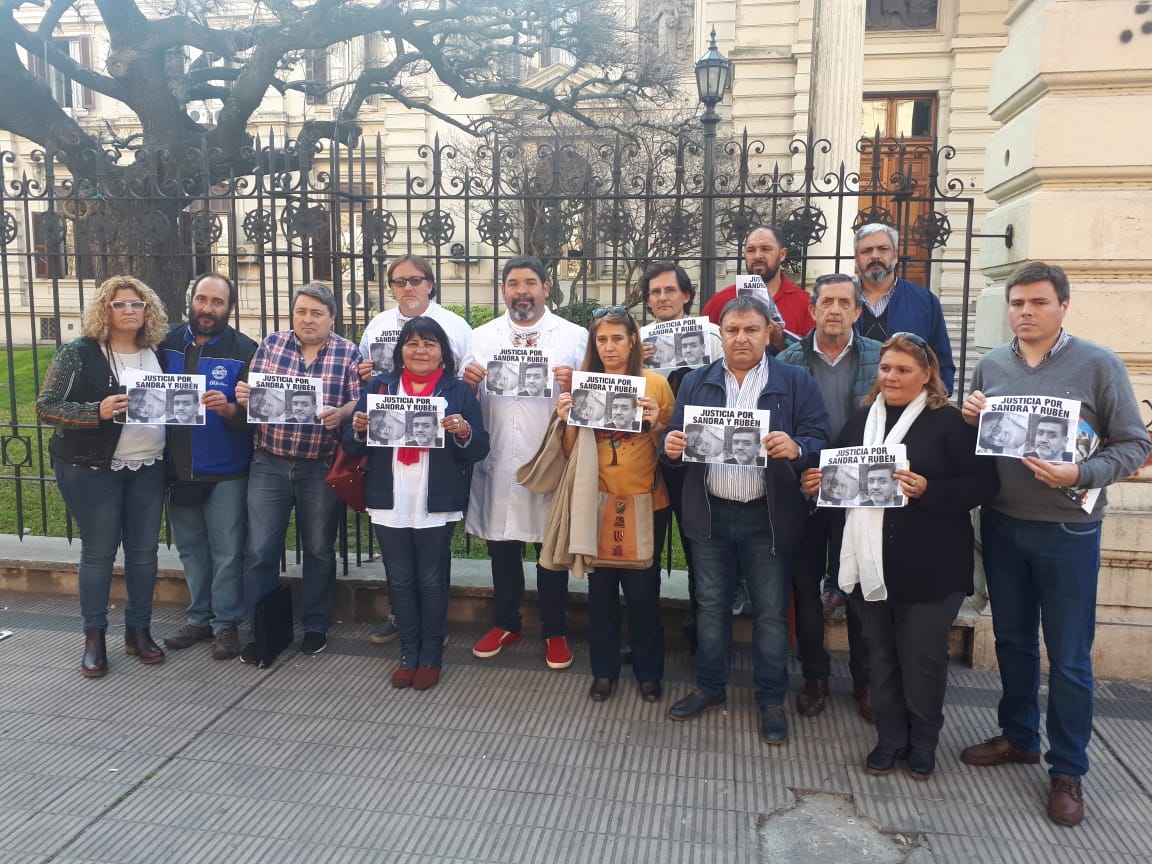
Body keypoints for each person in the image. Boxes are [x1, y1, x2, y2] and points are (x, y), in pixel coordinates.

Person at [958, 263, 1152, 827]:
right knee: (1013, 641)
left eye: (1038, 302)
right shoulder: (993, 363)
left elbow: (1134, 444)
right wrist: (971, 418)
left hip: (1069, 530)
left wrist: (1081, 474)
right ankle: (1019, 737)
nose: (1025, 311)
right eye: (1017, 302)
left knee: (1068, 658)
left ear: (1063, 306)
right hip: (1002, 523)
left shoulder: (1098, 364)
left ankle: (1068, 769)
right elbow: (984, 444)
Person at [803, 333, 997, 781]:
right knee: (880, 658)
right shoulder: (861, 421)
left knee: (923, 660)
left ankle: (923, 741)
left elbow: (983, 486)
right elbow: (839, 485)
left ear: (927, 375)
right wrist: (816, 484)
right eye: (886, 368)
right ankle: (889, 738)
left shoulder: (949, 423)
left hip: (930, 570)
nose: (891, 377)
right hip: (870, 566)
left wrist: (929, 490)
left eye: (903, 370)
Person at [662, 296, 829, 745]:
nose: (741, 338)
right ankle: (709, 687)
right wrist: (671, 447)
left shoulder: (793, 381)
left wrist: (797, 448)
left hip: (767, 516)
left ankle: (771, 699)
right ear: (720, 334)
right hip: (711, 512)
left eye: (751, 329)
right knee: (711, 606)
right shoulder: (697, 381)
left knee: (771, 612)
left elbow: (819, 435)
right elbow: (673, 440)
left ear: (768, 331)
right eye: (732, 330)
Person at [344, 317, 490, 691]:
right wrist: (358, 428)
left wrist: (464, 430)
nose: (420, 350)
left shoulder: (457, 391)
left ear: (442, 352)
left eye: (429, 344)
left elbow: (479, 448)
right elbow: (350, 445)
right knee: (400, 579)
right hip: (389, 498)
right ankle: (409, 653)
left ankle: (431, 656)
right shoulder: (380, 387)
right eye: (412, 343)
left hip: (435, 499)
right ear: (401, 351)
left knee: (431, 579)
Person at [36, 275, 170, 677]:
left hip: (149, 465)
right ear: (104, 310)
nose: (129, 310)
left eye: (137, 304)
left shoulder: (159, 351)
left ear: (148, 310)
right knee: (98, 553)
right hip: (91, 468)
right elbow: (46, 407)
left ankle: (138, 631)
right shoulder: (78, 352)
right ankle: (93, 637)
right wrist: (96, 411)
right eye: (119, 304)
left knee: (144, 553)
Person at [462, 256, 588, 669]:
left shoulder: (573, 337)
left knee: (549, 552)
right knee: (502, 549)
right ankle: (506, 622)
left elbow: (595, 399)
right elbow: (464, 402)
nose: (522, 291)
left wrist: (575, 385)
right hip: (499, 458)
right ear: (503, 291)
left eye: (530, 282)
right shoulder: (482, 337)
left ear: (546, 288)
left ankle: (555, 630)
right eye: (513, 283)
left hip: (549, 458)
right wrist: (468, 385)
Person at [554, 308, 675, 702]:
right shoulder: (586, 383)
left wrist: (656, 424)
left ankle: (648, 671)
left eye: (617, 338)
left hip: (647, 501)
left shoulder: (655, 384)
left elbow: (673, 447)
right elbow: (569, 451)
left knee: (643, 593)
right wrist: (568, 418)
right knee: (601, 593)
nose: (609, 347)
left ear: (633, 341)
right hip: (596, 500)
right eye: (602, 339)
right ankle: (603, 671)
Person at [236, 283, 361, 658]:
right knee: (260, 550)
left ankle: (316, 623)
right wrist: (245, 397)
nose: (308, 319)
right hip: (269, 462)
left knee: (319, 549)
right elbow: (253, 394)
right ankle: (260, 629)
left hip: (319, 465)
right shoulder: (272, 345)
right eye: (301, 311)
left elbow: (358, 400)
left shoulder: (348, 352)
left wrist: (342, 413)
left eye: (317, 313)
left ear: (332, 318)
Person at [779, 271, 882, 718]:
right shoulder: (787, 359)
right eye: (827, 302)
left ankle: (866, 682)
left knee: (856, 587)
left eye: (844, 303)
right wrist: (800, 469)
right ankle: (815, 677)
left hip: (858, 494)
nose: (835, 310)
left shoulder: (880, 357)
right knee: (804, 589)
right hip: (804, 490)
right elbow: (778, 427)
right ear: (813, 309)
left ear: (857, 311)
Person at [161, 273, 258, 661]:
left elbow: (255, 416)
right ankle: (199, 618)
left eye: (217, 302)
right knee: (190, 550)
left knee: (228, 552)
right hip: (177, 467)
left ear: (230, 307)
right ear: (192, 300)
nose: (207, 308)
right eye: (202, 299)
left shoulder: (245, 350)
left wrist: (230, 409)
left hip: (227, 469)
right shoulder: (163, 342)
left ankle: (226, 624)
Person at [639, 262, 723, 649]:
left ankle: (700, 636)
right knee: (647, 550)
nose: (662, 298)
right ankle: (647, 638)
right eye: (655, 292)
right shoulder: (638, 341)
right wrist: (634, 363)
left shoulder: (713, 336)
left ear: (686, 296)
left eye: (670, 290)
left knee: (699, 550)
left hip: (699, 462)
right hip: (650, 460)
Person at [853, 223, 956, 394]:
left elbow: (941, 362)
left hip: (911, 405)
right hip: (852, 406)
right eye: (867, 250)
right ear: (856, 259)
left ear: (895, 255)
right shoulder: (841, 302)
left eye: (883, 249)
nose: (875, 256)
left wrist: (934, 401)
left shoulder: (925, 301)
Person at [359, 254, 472, 381]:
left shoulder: (456, 326)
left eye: (416, 280)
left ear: (429, 285)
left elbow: (467, 378)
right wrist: (366, 375)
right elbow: (361, 366)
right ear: (391, 288)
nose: (408, 288)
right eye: (400, 282)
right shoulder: (378, 323)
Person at [701, 225, 815, 350]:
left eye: (765, 249)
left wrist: (782, 341)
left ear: (782, 254)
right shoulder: (720, 300)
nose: (757, 256)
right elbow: (704, 349)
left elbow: (815, 355)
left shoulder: (805, 303)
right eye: (751, 250)